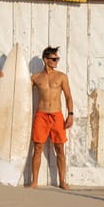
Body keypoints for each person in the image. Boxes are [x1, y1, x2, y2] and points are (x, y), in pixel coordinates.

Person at [29, 46, 74, 189]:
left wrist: (70, 114)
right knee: (37, 148)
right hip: (41, 115)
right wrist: (3, 76)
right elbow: (20, 91)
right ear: (45, 60)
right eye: (54, 59)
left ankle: (62, 181)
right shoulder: (35, 78)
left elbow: (68, 97)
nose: (56, 61)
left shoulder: (61, 76)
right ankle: (34, 182)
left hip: (57, 115)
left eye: (57, 59)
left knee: (60, 148)